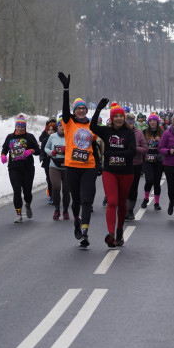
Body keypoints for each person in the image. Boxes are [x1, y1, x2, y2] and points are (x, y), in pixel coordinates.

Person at [88, 99, 142, 247]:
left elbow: (132, 151)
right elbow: (92, 126)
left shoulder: (129, 133)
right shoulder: (107, 131)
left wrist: (113, 153)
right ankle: (111, 234)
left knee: (122, 203)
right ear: (111, 118)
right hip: (110, 171)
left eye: (120, 116)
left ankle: (119, 231)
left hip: (126, 172)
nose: (118, 119)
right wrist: (98, 109)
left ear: (124, 118)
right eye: (115, 116)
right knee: (112, 202)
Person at [57, 72, 99, 247]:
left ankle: (85, 232)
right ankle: (76, 219)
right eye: (78, 109)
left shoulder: (92, 126)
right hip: (72, 166)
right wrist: (66, 89)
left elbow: (96, 142)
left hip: (89, 166)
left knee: (87, 201)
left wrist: (99, 110)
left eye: (83, 108)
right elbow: (65, 110)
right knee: (76, 200)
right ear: (75, 111)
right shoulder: (68, 123)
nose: (81, 111)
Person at [0, 114, 40, 222]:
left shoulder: (29, 137)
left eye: (22, 127)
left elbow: (38, 150)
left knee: (27, 192)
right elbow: (4, 149)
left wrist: (31, 151)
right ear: (15, 126)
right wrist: (3, 156)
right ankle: (18, 214)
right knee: (17, 190)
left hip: (28, 169)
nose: (20, 128)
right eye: (18, 126)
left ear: (25, 127)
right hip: (14, 168)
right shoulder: (10, 137)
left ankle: (27, 204)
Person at [43, 121, 71, 221]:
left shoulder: (70, 136)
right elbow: (45, 148)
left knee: (66, 190)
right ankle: (57, 209)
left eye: (64, 126)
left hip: (67, 166)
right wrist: (51, 152)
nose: (62, 127)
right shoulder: (52, 137)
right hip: (54, 166)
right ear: (57, 127)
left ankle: (66, 210)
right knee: (56, 187)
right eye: (60, 125)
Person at [140, 113, 165, 210]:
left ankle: (156, 203)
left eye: (154, 120)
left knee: (157, 182)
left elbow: (165, 146)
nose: (152, 122)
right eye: (150, 121)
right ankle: (146, 199)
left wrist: (160, 141)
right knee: (149, 180)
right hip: (147, 160)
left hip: (158, 160)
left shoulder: (162, 133)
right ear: (148, 122)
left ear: (157, 122)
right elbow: (141, 145)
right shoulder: (144, 132)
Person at [39, 118, 58, 205]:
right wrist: (42, 156)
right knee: (49, 179)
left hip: (57, 161)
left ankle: (57, 194)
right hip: (47, 162)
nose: (51, 132)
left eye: (53, 130)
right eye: (49, 130)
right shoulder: (44, 140)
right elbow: (42, 150)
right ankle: (51, 195)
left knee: (56, 180)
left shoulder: (59, 139)